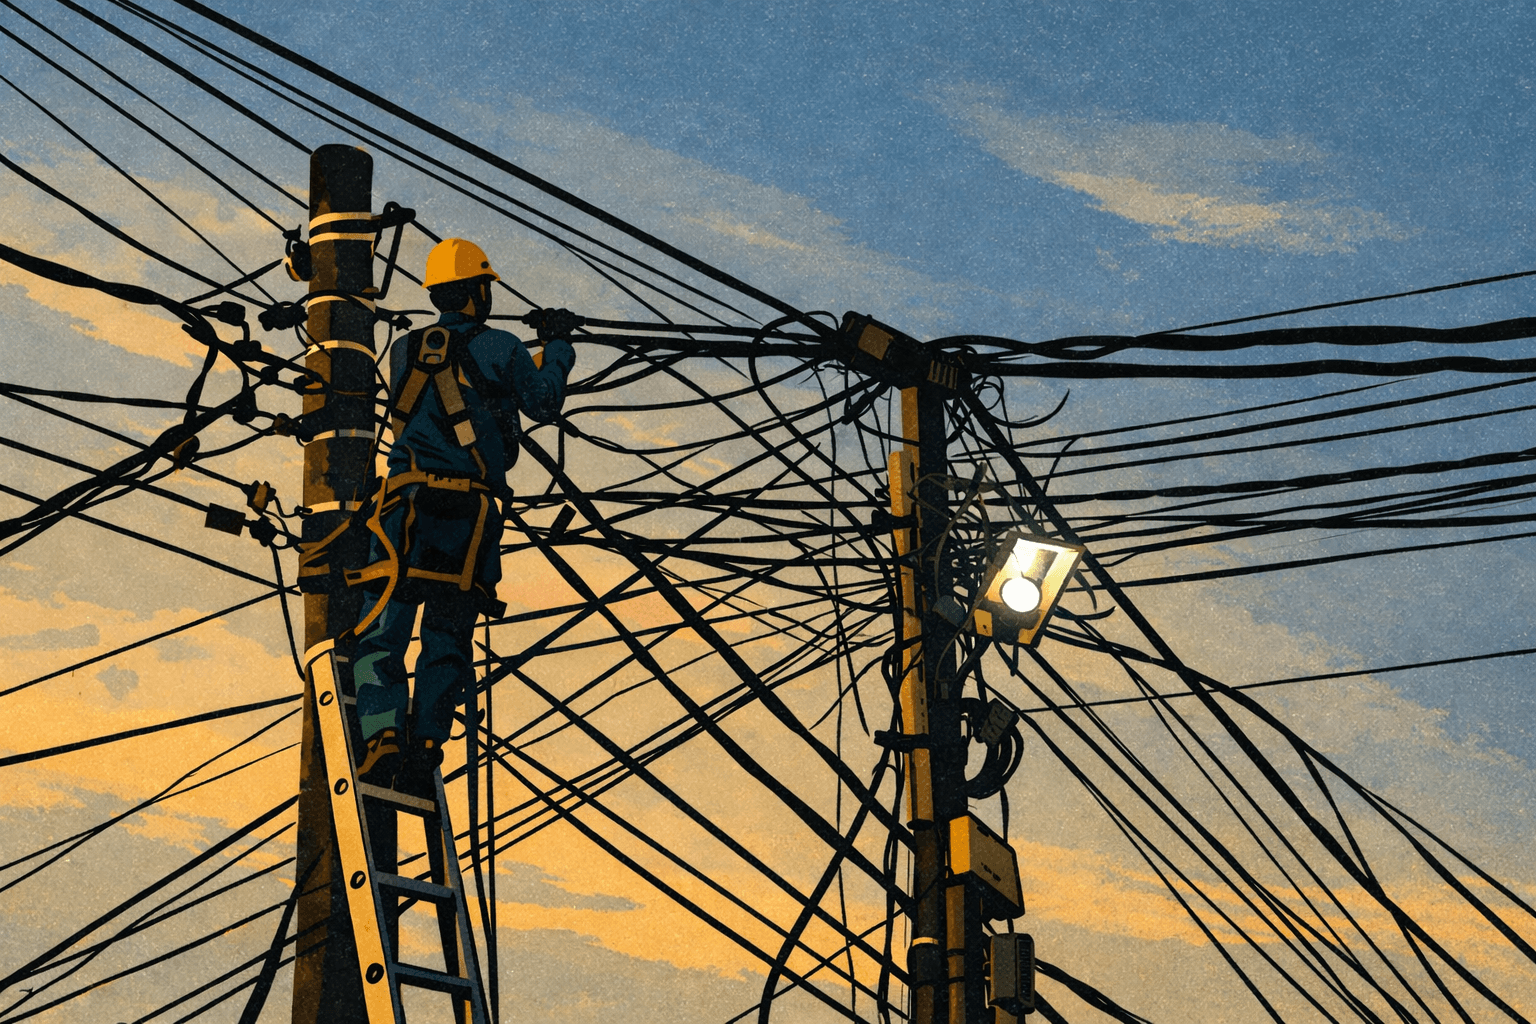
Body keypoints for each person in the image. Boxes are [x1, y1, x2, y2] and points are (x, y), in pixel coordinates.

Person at [349, 238, 576, 789]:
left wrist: (531, 353)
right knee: (448, 630)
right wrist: (559, 346)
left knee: (384, 625)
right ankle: (426, 742)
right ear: (477, 291)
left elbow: (458, 375)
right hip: (469, 515)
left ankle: (381, 735)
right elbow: (541, 400)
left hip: (403, 508)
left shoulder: (403, 350)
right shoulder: (502, 346)